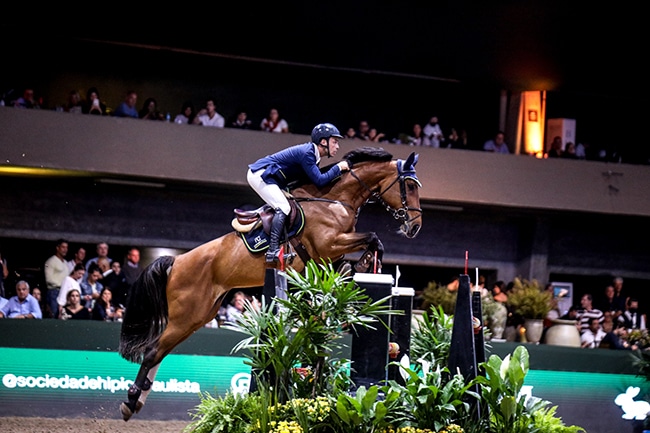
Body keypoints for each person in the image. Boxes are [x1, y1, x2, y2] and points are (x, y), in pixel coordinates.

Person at [247, 122, 349, 263]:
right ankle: (273, 251)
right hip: (262, 175)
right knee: (283, 207)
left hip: (272, 178)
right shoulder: (307, 154)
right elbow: (319, 180)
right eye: (335, 142)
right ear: (323, 141)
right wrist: (338, 167)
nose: (337, 146)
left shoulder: (313, 155)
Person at [44, 238, 69, 319]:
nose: (65, 250)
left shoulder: (65, 263)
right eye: (63, 247)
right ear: (57, 248)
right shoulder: (50, 261)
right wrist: (62, 285)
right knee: (54, 315)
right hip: (54, 292)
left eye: (66, 247)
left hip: (64, 293)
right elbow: (48, 279)